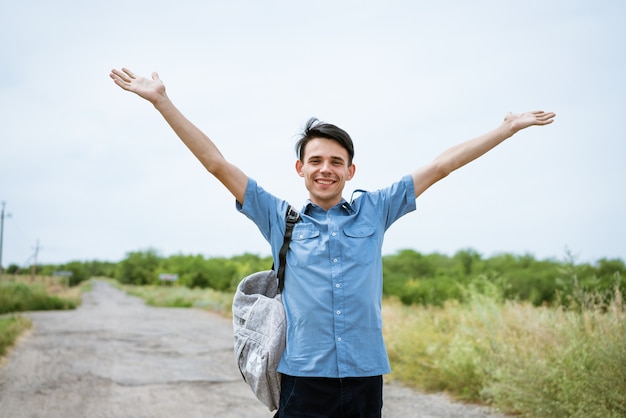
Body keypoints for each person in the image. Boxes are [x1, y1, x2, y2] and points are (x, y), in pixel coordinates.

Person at [110, 67, 555, 417]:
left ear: (350, 171)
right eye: (316, 160)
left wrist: (507, 128)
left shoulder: (375, 210)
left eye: (336, 162)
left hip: (364, 377)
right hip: (303, 378)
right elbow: (215, 163)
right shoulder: (277, 216)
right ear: (300, 169)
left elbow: (441, 166)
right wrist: (162, 102)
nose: (326, 168)